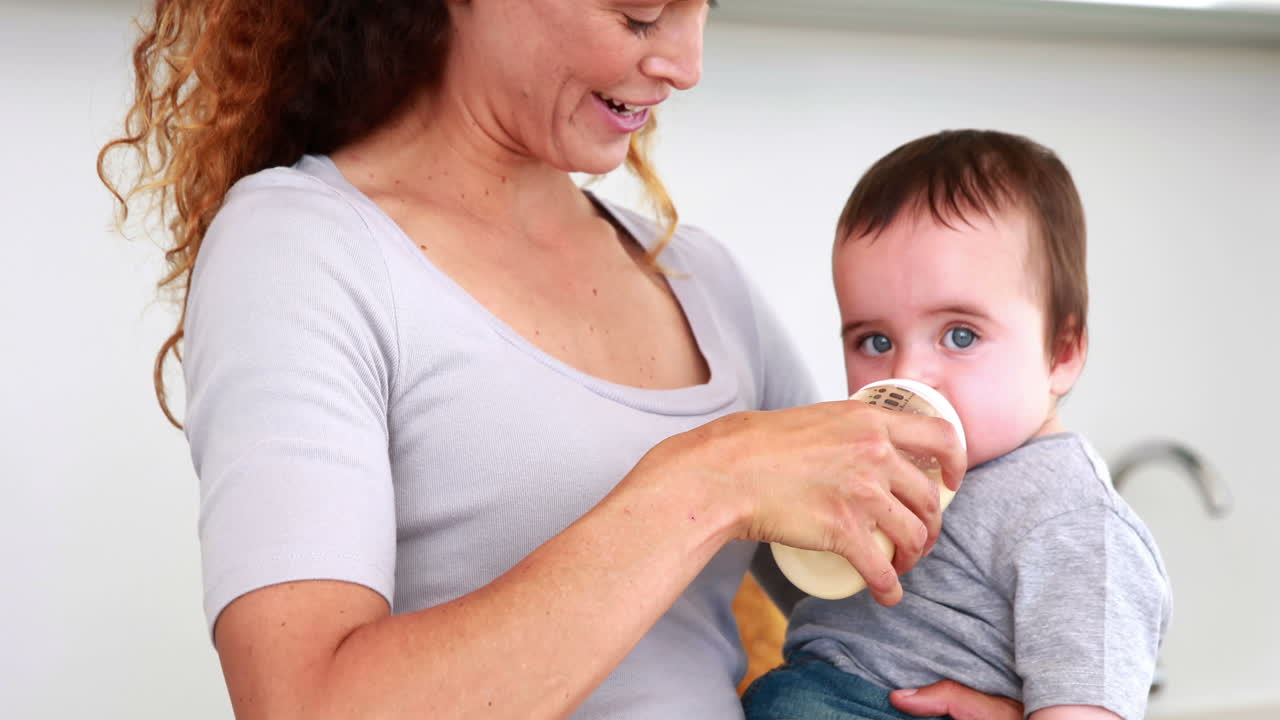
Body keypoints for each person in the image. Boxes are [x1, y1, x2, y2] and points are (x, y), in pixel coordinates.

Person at [99, 3, 1026, 718]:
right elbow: (304, 704)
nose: (687, 63)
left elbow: (882, 578)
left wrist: (1003, 691)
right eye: (637, 13)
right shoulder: (303, 245)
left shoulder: (698, 277)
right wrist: (707, 482)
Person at [742, 129, 1173, 720]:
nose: (908, 373)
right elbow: (825, 597)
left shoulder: (1072, 523)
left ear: (1062, 351)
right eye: (875, 340)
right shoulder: (877, 466)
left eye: (960, 335)